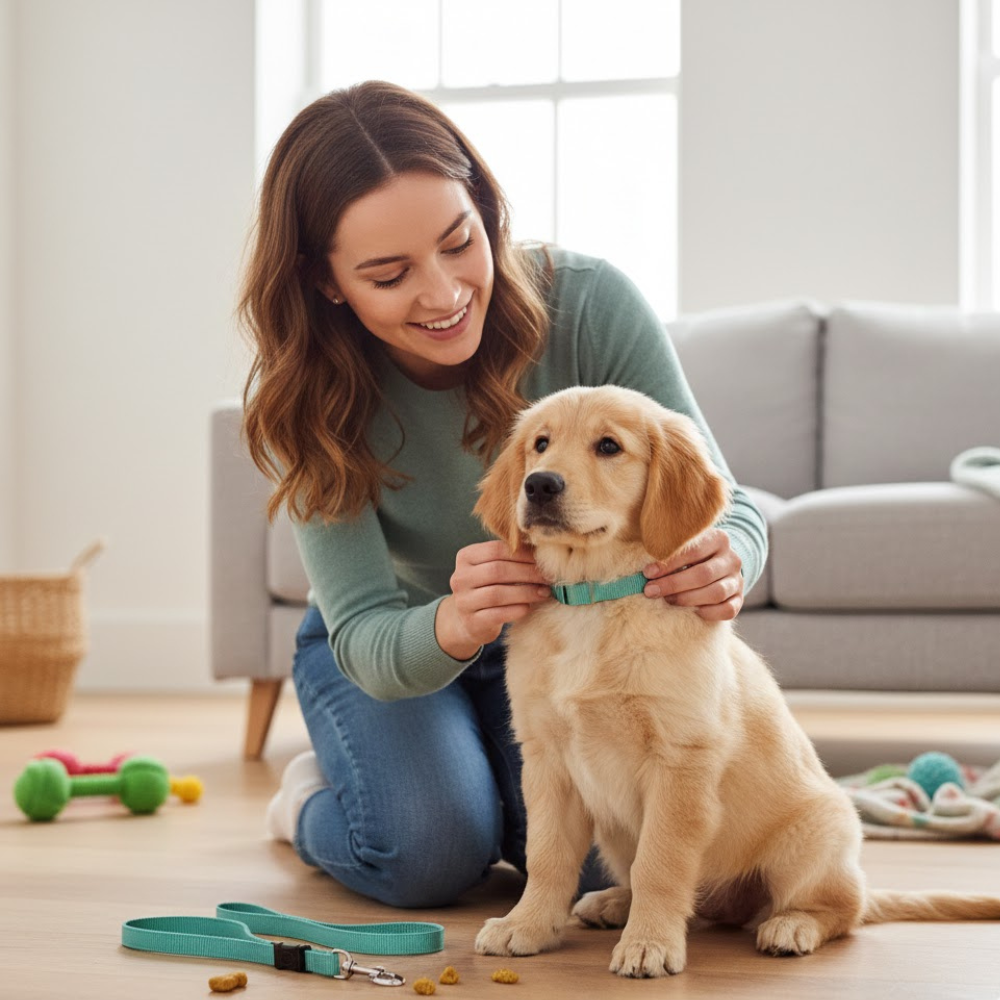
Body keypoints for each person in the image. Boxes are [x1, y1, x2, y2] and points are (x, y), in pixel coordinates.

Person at [240, 80, 768, 909]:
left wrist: (729, 557)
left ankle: (470, 781)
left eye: (460, 241)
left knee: (601, 868)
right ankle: (309, 800)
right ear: (326, 281)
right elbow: (368, 633)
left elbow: (727, 503)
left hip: (562, 633)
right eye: (388, 274)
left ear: (485, 208)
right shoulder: (304, 404)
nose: (445, 293)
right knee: (428, 853)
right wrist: (451, 623)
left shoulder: (589, 301)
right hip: (398, 643)